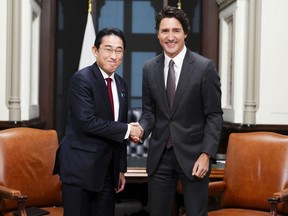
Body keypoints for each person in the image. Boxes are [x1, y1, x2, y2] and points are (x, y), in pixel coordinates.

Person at [138, 6, 223, 216]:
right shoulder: (149, 68)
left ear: (185, 33)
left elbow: (214, 115)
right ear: (158, 35)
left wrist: (206, 154)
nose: (170, 36)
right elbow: (149, 113)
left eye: (176, 30)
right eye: (164, 31)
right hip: (160, 157)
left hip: (195, 157)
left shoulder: (205, 68)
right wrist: (141, 129)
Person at [53, 27, 142, 216]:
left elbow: (119, 127)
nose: (114, 56)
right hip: (79, 169)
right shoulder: (81, 79)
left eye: (119, 51)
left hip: (107, 172)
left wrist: (121, 169)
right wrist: (127, 129)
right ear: (95, 51)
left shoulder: (121, 84)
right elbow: (87, 121)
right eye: (108, 49)